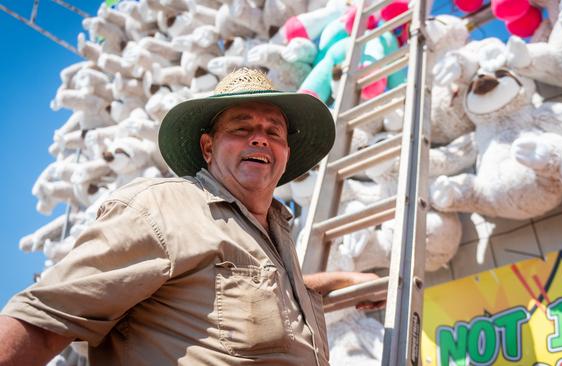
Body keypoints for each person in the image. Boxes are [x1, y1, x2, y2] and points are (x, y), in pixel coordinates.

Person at [0, 68, 382, 365]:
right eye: (242, 127)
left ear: (284, 153)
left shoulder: (272, 233)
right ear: (208, 147)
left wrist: (340, 281)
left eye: (273, 131)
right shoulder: (160, 210)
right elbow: (44, 322)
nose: (260, 138)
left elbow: (251, 289)